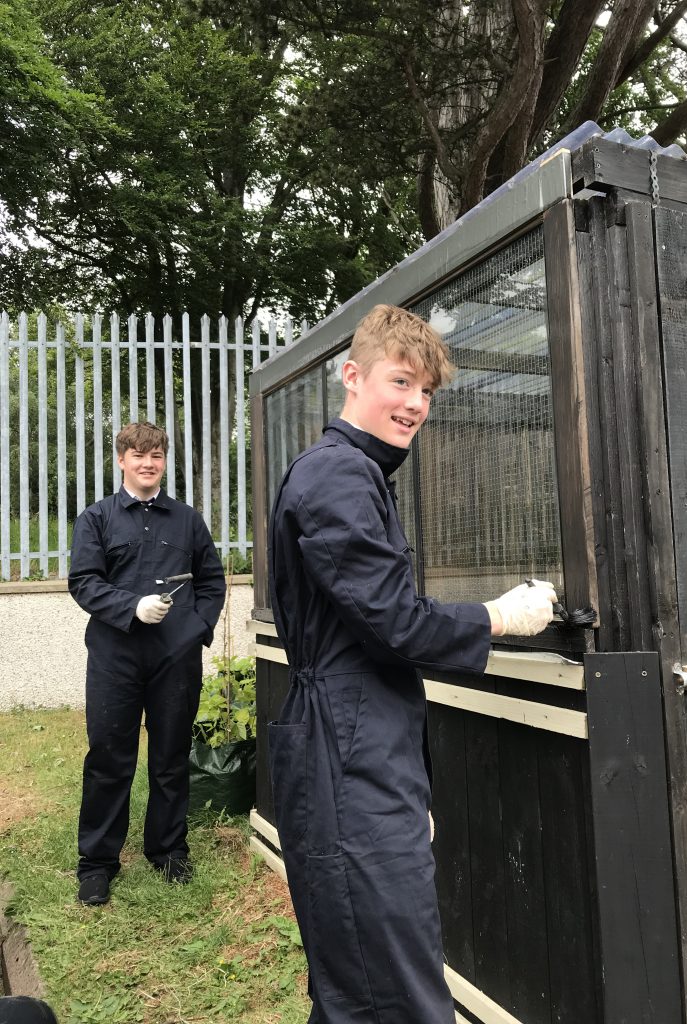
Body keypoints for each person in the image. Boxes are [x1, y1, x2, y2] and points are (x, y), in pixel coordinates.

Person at [268, 304, 557, 1023]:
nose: (416, 405)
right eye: (402, 382)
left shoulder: (357, 473)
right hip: (347, 751)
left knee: (357, 980)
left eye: (427, 392)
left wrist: (398, 798)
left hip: (360, 753)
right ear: (352, 375)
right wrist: (497, 616)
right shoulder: (337, 476)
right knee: (393, 991)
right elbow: (393, 622)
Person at [68, 421, 226, 906]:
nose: (147, 463)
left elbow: (211, 582)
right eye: (138, 455)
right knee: (109, 757)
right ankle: (97, 863)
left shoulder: (188, 520)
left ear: (164, 461)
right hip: (116, 655)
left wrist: (195, 631)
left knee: (170, 757)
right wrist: (131, 608)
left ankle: (168, 850)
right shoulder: (96, 519)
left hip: (174, 659)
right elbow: (84, 582)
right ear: (121, 461)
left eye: (156, 455)